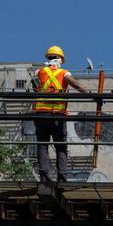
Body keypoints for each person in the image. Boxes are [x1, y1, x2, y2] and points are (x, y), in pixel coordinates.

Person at [31, 45, 90, 183]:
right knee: (61, 146)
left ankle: (44, 177)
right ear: (61, 60)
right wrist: (92, 95)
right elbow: (77, 85)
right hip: (58, 115)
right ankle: (62, 177)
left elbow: (35, 88)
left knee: (42, 145)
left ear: (48, 58)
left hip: (41, 115)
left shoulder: (39, 72)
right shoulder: (64, 73)